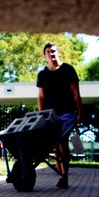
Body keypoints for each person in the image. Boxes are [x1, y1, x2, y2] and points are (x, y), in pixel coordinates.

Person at [37, 41, 82, 189]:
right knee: (55, 144)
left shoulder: (68, 70)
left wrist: (79, 111)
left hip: (68, 113)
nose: (52, 53)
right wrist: (41, 114)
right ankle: (61, 175)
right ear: (45, 55)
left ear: (59, 53)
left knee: (62, 141)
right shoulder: (42, 74)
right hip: (51, 115)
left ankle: (65, 175)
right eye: (49, 51)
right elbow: (41, 97)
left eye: (54, 51)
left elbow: (76, 92)